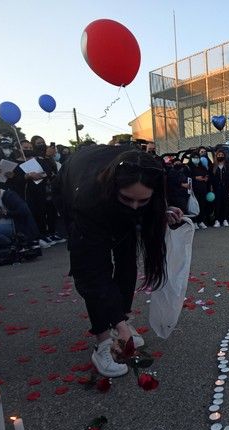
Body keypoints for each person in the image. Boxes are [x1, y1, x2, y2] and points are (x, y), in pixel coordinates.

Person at [56, 145, 182, 377]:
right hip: (76, 185)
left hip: (111, 190)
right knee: (98, 267)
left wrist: (158, 212)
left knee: (127, 261)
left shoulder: (147, 178)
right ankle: (103, 341)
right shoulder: (88, 200)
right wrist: (118, 325)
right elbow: (91, 274)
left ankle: (119, 319)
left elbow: (138, 207)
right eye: (127, 199)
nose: (135, 207)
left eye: (142, 201)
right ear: (114, 187)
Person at [210, 149, 229, 227]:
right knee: (217, 204)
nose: (220, 156)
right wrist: (211, 187)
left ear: (224, 156)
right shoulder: (213, 166)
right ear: (216, 156)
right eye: (219, 155)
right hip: (216, 188)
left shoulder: (228, 166)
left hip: (226, 188)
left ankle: (225, 219)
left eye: (222, 155)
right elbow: (211, 178)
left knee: (226, 204)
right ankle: (217, 220)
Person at [187, 153, 209, 229]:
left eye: (197, 157)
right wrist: (195, 178)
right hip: (194, 189)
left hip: (202, 188)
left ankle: (201, 221)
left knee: (202, 204)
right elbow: (187, 177)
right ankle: (194, 221)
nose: (196, 159)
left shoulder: (202, 167)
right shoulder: (188, 167)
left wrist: (205, 177)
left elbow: (206, 174)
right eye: (194, 157)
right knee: (194, 205)